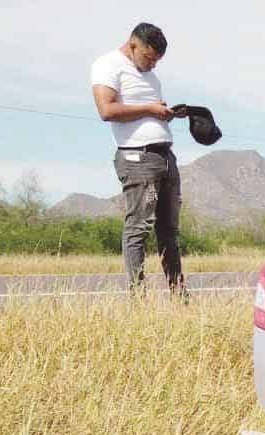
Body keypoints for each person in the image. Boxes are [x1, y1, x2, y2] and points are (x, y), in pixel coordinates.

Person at [90, 23, 184, 293]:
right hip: (138, 158)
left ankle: (178, 294)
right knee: (139, 227)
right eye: (149, 58)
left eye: (156, 61)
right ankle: (137, 297)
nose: (152, 65)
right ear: (133, 45)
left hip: (164, 156)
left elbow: (150, 110)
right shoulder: (108, 64)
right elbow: (106, 109)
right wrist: (150, 109)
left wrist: (166, 112)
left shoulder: (151, 77)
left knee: (169, 230)